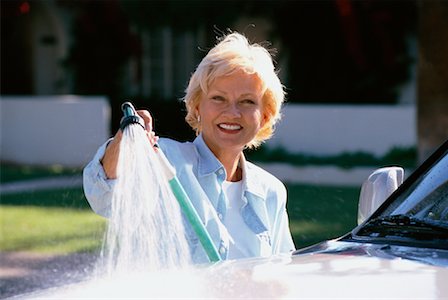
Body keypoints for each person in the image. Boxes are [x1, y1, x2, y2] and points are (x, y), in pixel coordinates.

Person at [83, 32, 295, 263]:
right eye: (218, 98)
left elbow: (282, 273)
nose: (232, 113)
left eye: (247, 101)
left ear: (264, 116)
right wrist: (128, 138)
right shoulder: (164, 160)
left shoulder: (271, 192)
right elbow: (103, 195)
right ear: (196, 108)